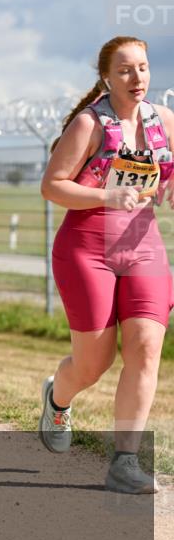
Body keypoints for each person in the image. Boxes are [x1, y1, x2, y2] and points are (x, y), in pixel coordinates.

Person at [40, 35, 174, 494]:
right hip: (86, 249)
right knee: (93, 364)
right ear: (106, 78)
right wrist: (105, 196)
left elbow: (171, 171)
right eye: (124, 70)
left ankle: (125, 461)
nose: (136, 77)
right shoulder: (89, 125)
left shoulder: (164, 122)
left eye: (142, 67)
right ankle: (58, 398)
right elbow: (53, 186)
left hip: (144, 247)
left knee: (145, 347)